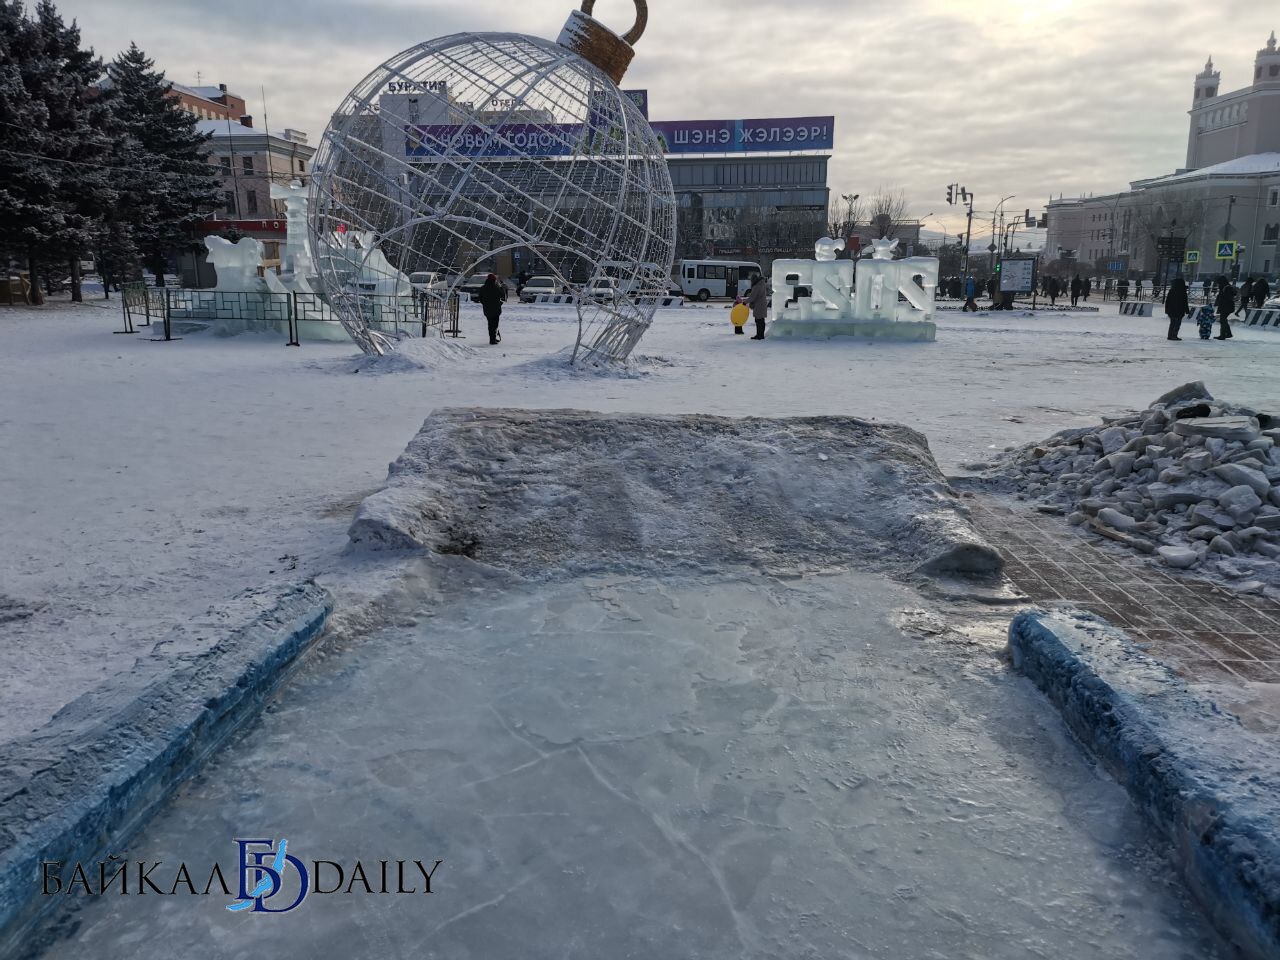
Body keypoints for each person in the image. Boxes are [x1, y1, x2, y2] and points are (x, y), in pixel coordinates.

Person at [478, 273, 507, 345]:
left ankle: (492, 338)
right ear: (494, 280)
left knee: (490, 324)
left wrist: (485, 304)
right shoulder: (496, 287)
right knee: (494, 325)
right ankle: (492, 339)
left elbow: (480, 299)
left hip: (487, 310)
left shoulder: (483, 288)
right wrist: (502, 288)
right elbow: (502, 295)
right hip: (496, 309)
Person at [743, 271, 769, 339]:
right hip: (762, 304)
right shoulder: (762, 284)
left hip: (759, 305)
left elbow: (752, 297)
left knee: (758, 321)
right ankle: (761, 335)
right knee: (761, 320)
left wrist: (745, 302)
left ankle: (759, 335)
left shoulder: (756, 286)